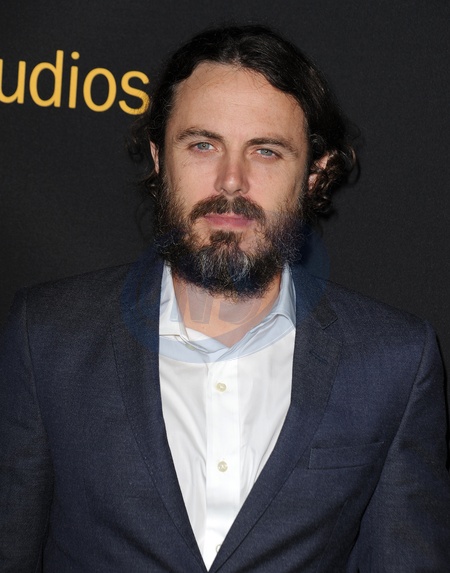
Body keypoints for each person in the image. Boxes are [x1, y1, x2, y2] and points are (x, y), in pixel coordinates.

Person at [0, 24, 449, 573]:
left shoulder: (394, 363)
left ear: (314, 175)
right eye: (203, 145)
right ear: (159, 158)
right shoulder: (46, 337)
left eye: (266, 151)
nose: (231, 180)